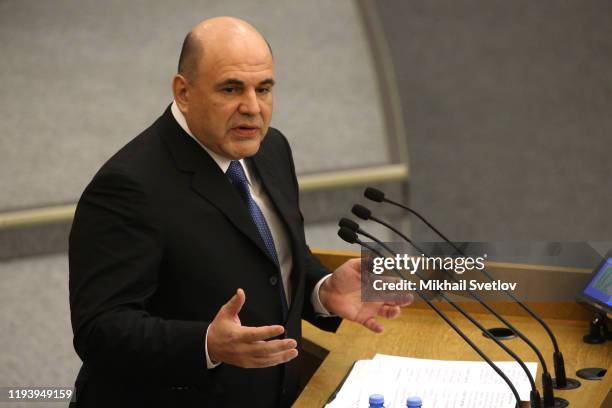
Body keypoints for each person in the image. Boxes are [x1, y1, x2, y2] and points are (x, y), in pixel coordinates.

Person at [69, 17, 409, 407]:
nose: (252, 108)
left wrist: (320, 289)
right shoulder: (129, 187)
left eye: (263, 89)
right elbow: (100, 330)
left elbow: (265, 257)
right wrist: (206, 344)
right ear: (183, 92)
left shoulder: (271, 148)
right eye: (231, 89)